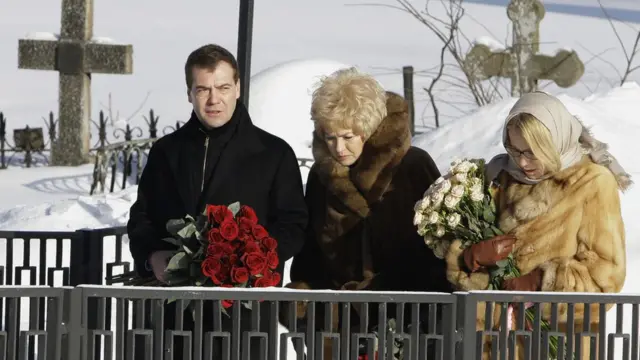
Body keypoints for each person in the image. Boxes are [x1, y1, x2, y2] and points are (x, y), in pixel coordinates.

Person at [127, 43, 308, 359]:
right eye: (203, 89)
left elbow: (293, 224)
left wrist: (254, 259)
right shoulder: (167, 152)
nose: (214, 99)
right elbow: (142, 216)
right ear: (189, 93)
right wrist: (151, 256)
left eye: (223, 87)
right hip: (175, 311)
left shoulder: (274, 153)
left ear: (238, 88)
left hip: (245, 313)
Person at [282, 67, 453, 358]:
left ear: (369, 128)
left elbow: (436, 246)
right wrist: (304, 303)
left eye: (348, 136)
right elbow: (311, 253)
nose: (338, 147)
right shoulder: (322, 176)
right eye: (329, 137)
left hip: (405, 320)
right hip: (337, 326)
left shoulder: (413, 166)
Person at [444, 91, 629, 359]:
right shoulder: (500, 178)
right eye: (514, 150)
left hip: (560, 344)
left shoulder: (592, 182)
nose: (521, 162)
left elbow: (607, 276)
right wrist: (470, 258)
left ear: (552, 143)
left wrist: (541, 281)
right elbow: (473, 249)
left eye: (531, 152)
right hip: (496, 342)